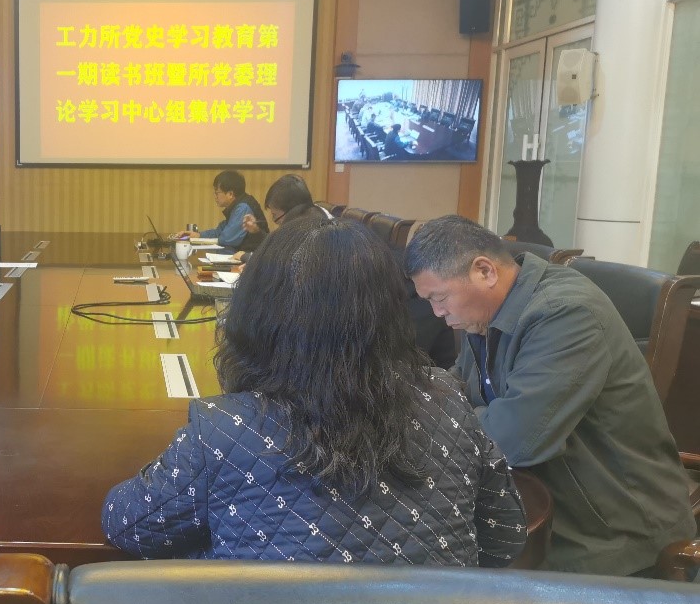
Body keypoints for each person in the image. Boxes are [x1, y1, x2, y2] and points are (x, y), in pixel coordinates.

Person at [103, 218, 527, 566]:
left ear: (256, 311)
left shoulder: (223, 428)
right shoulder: (449, 399)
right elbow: (505, 538)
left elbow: (128, 526)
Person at [406, 215, 694, 575]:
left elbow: (514, 440)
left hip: (611, 532)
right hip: (537, 500)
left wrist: (442, 420)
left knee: (434, 574)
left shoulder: (566, 314)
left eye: (440, 298)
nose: (437, 312)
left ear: (484, 271)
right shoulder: (487, 311)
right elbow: (459, 388)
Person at [178, 170, 267, 251]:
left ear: (230, 194)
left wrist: (204, 238)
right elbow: (219, 231)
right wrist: (198, 235)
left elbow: (227, 239)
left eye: (217, 193)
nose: (215, 196)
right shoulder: (236, 206)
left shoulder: (243, 207)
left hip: (254, 257)